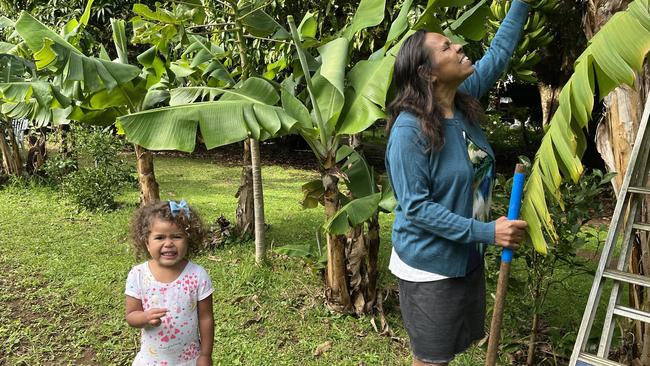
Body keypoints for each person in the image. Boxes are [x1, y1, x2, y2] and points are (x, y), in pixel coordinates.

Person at [385, 1, 533, 365]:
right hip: (429, 267)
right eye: (446, 47)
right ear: (427, 73)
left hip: (464, 258)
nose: (459, 48)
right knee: (432, 360)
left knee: (447, 354)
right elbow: (417, 208)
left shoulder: (462, 103)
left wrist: (521, 4)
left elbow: (498, 54)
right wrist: (487, 233)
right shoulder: (408, 130)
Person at [125, 200, 214, 366]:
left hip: (189, 359)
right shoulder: (138, 275)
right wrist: (144, 317)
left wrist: (206, 355)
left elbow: (206, 318)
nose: (168, 243)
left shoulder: (198, 275)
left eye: (177, 236)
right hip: (151, 360)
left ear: (188, 240)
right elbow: (131, 316)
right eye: (159, 237)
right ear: (147, 242)